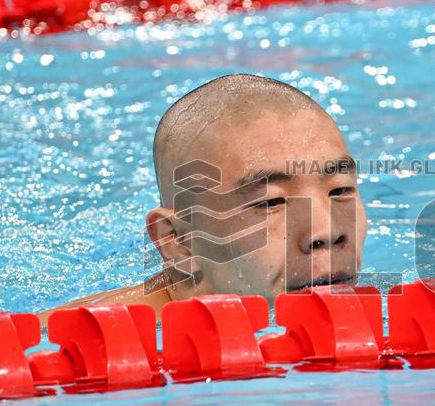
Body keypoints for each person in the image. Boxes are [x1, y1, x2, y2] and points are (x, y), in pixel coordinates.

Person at [39, 74, 367, 324]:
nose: (327, 232)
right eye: (271, 203)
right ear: (179, 242)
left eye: (340, 191)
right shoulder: (81, 340)